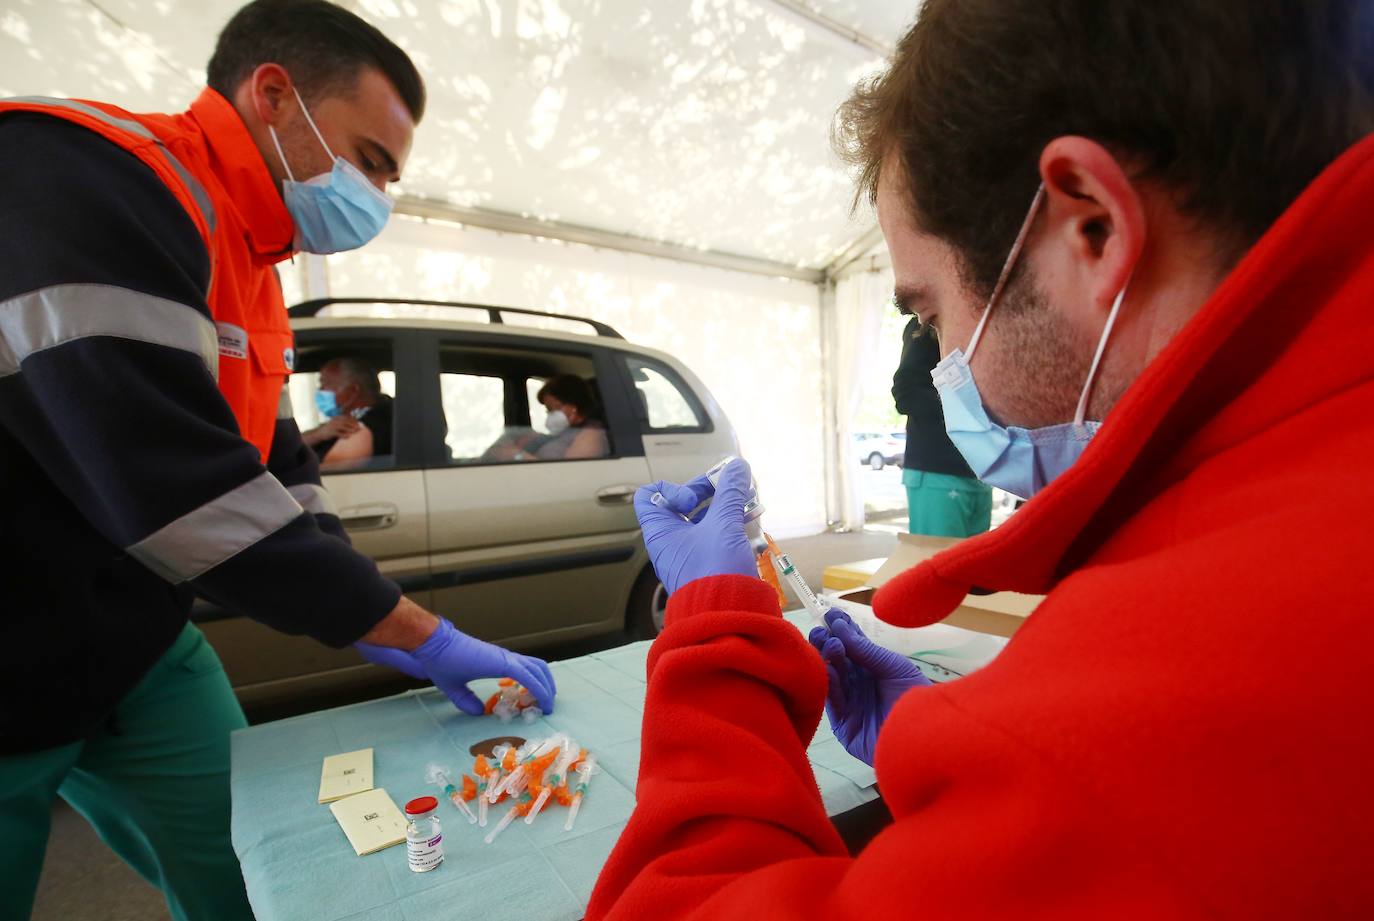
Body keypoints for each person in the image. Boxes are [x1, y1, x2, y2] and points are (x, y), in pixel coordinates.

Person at [589, 1, 1374, 918]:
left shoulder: (1187, 677)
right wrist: (961, 766)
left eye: (931, 315)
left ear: (1092, 231)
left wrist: (714, 637)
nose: (939, 356)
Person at [0, 3, 554, 920]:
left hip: (137, 648)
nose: (375, 197)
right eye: (370, 161)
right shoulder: (83, 176)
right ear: (274, 97)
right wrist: (420, 632)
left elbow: (278, 465)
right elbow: (175, 488)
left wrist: (375, 609)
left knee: (256, 877)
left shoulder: (253, 270)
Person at [891, 316, 992, 537]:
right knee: (939, 564)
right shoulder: (925, 326)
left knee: (975, 567)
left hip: (980, 471)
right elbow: (906, 394)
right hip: (938, 471)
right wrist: (963, 407)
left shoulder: (984, 324)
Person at [481, 374, 610, 462]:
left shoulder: (592, 435)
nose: (550, 415)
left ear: (573, 406)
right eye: (548, 410)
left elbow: (568, 477)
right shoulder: (563, 433)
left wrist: (517, 455)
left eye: (555, 408)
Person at [302, 356, 394, 467]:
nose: (320, 391)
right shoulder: (340, 423)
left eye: (325, 384)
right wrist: (317, 434)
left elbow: (327, 474)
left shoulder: (361, 427)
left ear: (353, 390)